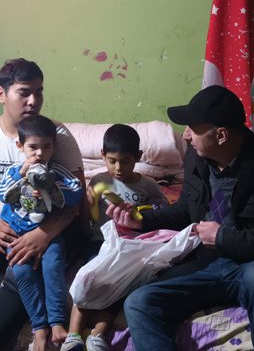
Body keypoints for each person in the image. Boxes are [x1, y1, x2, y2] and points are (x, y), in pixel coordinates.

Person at [107, 85, 254, 351]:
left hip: (251, 265)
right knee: (139, 302)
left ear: (220, 135)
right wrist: (142, 221)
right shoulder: (197, 157)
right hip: (206, 264)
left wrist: (222, 237)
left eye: (193, 129)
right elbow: (186, 209)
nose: (185, 136)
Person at [0, 58, 86, 351]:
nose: (34, 101)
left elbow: (77, 198)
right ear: (1, 94)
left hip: (43, 228)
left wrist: (44, 234)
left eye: (40, 92)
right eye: (24, 92)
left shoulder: (55, 136)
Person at [62, 124, 169, 351]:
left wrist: (145, 211)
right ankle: (73, 336)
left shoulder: (147, 184)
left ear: (138, 157)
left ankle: (97, 336)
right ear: (103, 156)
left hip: (129, 246)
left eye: (126, 161)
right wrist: (87, 209)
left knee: (120, 285)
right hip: (99, 242)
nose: (118, 168)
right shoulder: (99, 182)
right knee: (87, 280)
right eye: (112, 161)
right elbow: (86, 216)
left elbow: (163, 211)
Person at [0, 115, 83, 350]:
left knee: (52, 264)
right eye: (33, 147)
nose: (39, 153)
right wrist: (21, 174)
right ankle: (40, 327)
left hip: (49, 233)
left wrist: (51, 185)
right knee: (22, 271)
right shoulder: (15, 170)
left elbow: (77, 192)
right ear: (20, 146)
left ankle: (56, 321)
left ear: (54, 147)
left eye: (46, 147)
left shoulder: (57, 170)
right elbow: (2, 194)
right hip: (18, 233)